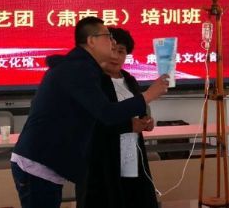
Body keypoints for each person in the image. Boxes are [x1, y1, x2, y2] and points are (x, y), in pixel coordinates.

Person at [11, 16, 169, 208]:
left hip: (47, 161)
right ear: (91, 41)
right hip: (38, 162)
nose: (112, 43)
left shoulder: (83, 67)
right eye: (108, 37)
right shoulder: (78, 69)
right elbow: (106, 113)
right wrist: (148, 95)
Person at [76, 27, 159, 208]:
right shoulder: (92, 81)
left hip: (131, 153)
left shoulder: (130, 80)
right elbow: (93, 121)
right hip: (102, 156)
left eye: (121, 51)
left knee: (134, 197)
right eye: (112, 50)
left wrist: (146, 121)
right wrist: (129, 125)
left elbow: (138, 110)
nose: (115, 56)